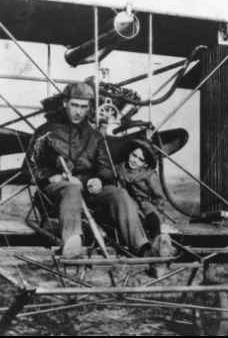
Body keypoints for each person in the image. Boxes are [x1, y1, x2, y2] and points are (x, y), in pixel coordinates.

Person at [24, 82, 168, 258]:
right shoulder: (45, 132)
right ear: (64, 103)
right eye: (74, 105)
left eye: (83, 107)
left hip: (87, 190)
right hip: (57, 191)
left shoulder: (95, 137)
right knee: (72, 187)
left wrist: (98, 180)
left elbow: (106, 169)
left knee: (118, 193)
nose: (78, 111)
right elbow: (29, 168)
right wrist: (52, 177)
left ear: (89, 108)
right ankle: (72, 242)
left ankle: (142, 247)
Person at [116, 140, 169, 239]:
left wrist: (158, 213)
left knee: (152, 220)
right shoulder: (119, 169)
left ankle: (156, 240)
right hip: (128, 201)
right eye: (134, 155)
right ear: (129, 153)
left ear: (145, 164)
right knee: (129, 219)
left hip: (145, 203)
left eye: (141, 159)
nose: (135, 160)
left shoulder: (149, 175)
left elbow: (159, 197)